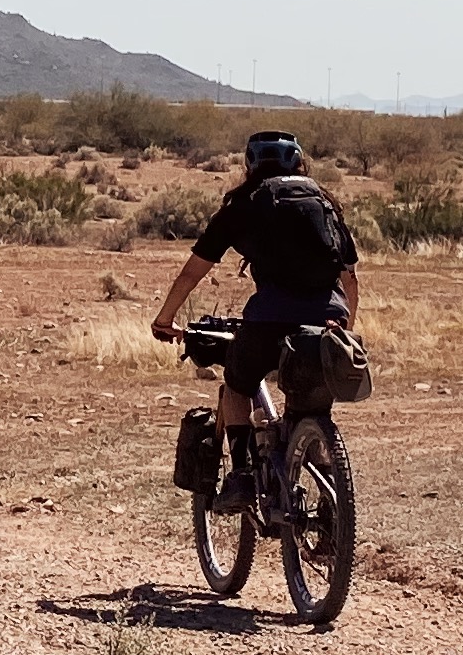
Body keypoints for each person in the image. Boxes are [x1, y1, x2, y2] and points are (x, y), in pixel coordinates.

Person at [149, 132, 362, 484]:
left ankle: (243, 477)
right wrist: (345, 330)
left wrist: (165, 318)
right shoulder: (324, 204)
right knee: (311, 405)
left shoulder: (244, 205)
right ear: (298, 164)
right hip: (328, 323)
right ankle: (330, 504)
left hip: (269, 321)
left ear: (250, 165)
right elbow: (350, 280)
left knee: (237, 384)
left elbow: (193, 272)